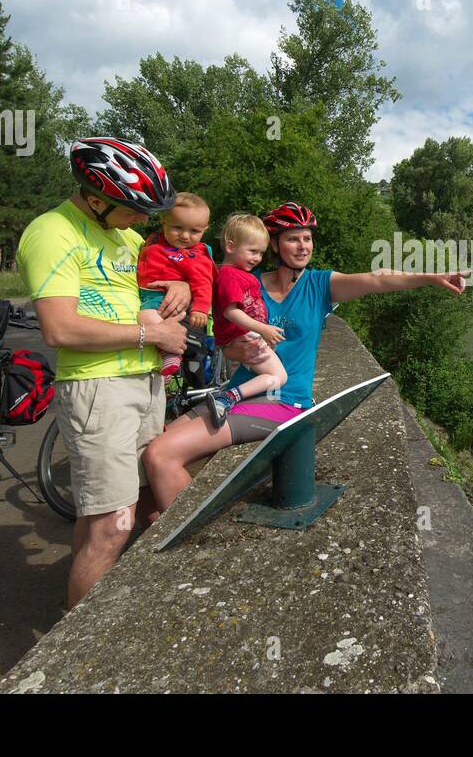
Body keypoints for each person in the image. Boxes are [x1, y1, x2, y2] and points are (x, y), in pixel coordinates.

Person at [142, 201, 467, 512]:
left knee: (161, 455)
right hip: (238, 393)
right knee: (161, 441)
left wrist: (431, 278)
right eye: (293, 239)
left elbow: (377, 278)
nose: (302, 246)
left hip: (285, 403)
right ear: (275, 245)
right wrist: (234, 348)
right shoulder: (247, 282)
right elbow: (225, 340)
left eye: (307, 239)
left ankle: (183, 537)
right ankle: (168, 518)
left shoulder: (320, 285)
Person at [18, 136, 190, 608]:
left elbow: (141, 289)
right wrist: (150, 337)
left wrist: (177, 285)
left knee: (111, 514)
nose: (144, 221)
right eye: (134, 210)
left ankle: (79, 624)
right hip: (98, 387)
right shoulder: (53, 232)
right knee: (112, 525)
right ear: (95, 199)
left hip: (144, 382)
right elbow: (59, 328)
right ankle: (77, 665)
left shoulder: (125, 236)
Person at [204, 213, 287, 427]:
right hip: (242, 336)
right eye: (252, 251)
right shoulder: (229, 275)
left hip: (244, 337)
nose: (257, 258)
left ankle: (231, 395)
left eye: (260, 253)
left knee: (270, 373)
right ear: (231, 247)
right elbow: (231, 313)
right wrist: (264, 329)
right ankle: (227, 397)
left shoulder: (240, 274)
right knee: (279, 377)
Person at [136, 192, 216, 378]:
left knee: (146, 318)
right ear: (164, 222)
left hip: (163, 301)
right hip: (147, 295)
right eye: (177, 228)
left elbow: (204, 282)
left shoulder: (196, 256)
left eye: (194, 231)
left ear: (205, 229)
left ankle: (171, 353)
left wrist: (201, 309)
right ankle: (165, 370)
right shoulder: (155, 241)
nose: (185, 236)